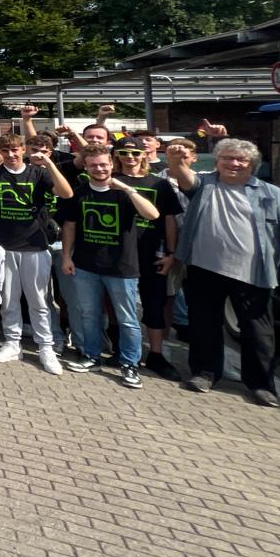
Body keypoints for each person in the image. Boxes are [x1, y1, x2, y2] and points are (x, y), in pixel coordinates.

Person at [167, 134, 280, 406]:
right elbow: (184, 178)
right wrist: (176, 160)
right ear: (217, 161)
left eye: (241, 159)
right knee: (203, 325)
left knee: (258, 332)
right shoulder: (205, 184)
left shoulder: (271, 194)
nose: (233, 163)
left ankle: (260, 384)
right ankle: (204, 373)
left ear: (252, 164)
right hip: (203, 269)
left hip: (253, 274)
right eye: (227, 158)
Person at [57, 144, 161, 388]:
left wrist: (127, 188)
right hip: (85, 265)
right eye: (93, 165)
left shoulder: (125, 192)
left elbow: (152, 215)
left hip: (122, 268)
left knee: (127, 319)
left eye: (103, 164)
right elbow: (70, 226)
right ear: (87, 167)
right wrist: (66, 257)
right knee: (89, 314)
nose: (99, 168)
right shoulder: (80, 192)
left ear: (112, 164)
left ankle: (130, 364)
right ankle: (91, 356)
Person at [0, 132, 73, 375]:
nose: (10, 155)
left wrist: (48, 163)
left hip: (35, 247)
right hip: (3, 247)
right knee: (9, 299)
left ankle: (45, 347)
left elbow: (66, 193)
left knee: (39, 301)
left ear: (23, 150)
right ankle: (12, 342)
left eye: (15, 150)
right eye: (5, 150)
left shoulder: (39, 173)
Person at [114, 137, 183, 379]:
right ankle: (121, 350)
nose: (129, 157)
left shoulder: (159, 185)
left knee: (154, 305)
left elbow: (170, 219)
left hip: (152, 253)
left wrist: (172, 253)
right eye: (123, 152)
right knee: (122, 306)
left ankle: (156, 354)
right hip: (119, 254)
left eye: (135, 153)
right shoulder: (111, 182)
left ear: (144, 155)